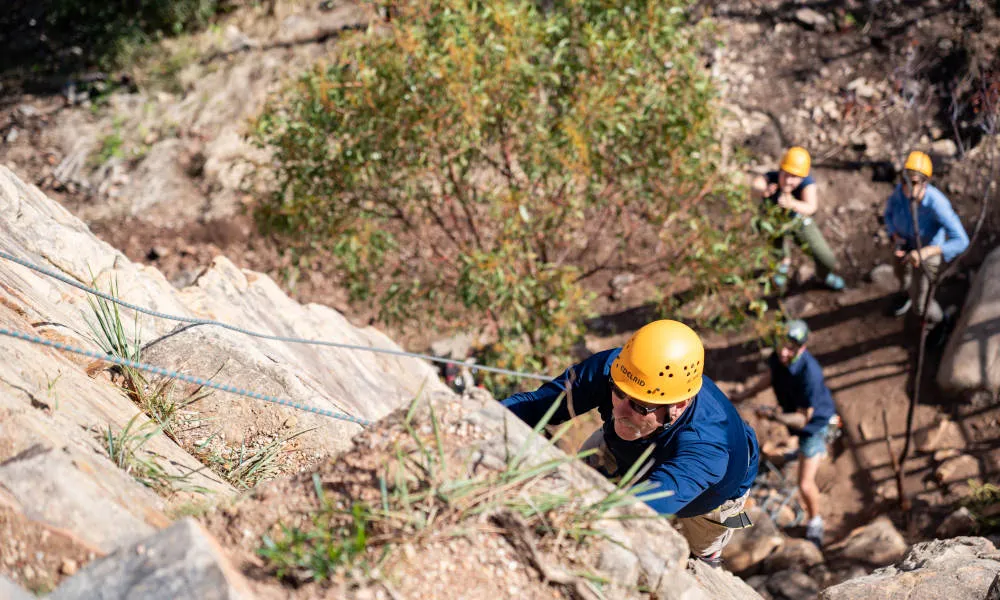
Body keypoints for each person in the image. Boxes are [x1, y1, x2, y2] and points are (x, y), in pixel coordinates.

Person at [502, 320, 760, 565]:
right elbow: (536, 405)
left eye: (639, 405)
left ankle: (709, 553)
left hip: (711, 497)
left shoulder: (707, 448)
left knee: (701, 546)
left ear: (679, 406)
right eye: (618, 392)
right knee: (583, 471)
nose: (619, 411)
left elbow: (642, 507)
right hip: (624, 448)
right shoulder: (618, 369)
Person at [731, 319, 838, 548]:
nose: (783, 352)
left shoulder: (810, 373)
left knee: (805, 484)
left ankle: (815, 522)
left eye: (790, 348)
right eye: (781, 345)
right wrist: (746, 394)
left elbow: (804, 419)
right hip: (797, 415)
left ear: (802, 348)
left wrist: (775, 416)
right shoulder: (780, 358)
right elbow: (772, 376)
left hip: (814, 426)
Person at [883, 151, 969, 324]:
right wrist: (895, 236)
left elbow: (961, 240)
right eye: (904, 180)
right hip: (905, 245)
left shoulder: (937, 204)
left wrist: (927, 252)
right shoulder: (899, 193)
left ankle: (938, 322)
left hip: (927, 254)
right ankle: (905, 294)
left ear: (925, 183)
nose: (907, 187)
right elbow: (888, 214)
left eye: (914, 182)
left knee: (921, 303)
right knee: (902, 276)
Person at [750, 146, 846, 291]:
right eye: (786, 175)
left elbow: (811, 207)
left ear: (802, 177)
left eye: (794, 177)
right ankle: (783, 264)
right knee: (776, 249)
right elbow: (756, 184)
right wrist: (764, 191)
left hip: (798, 221)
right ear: (780, 170)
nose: (789, 181)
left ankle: (823, 275)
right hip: (775, 223)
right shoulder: (772, 178)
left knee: (826, 259)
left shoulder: (807, 184)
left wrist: (792, 204)